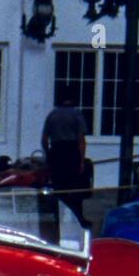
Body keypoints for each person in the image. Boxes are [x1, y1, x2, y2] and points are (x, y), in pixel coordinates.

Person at [42, 85, 90, 227]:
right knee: (76, 189)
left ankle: (58, 220)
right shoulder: (77, 115)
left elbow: (44, 140)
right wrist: (81, 160)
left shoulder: (52, 115)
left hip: (57, 151)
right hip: (72, 152)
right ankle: (78, 219)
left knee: (59, 188)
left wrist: (49, 154)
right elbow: (81, 139)